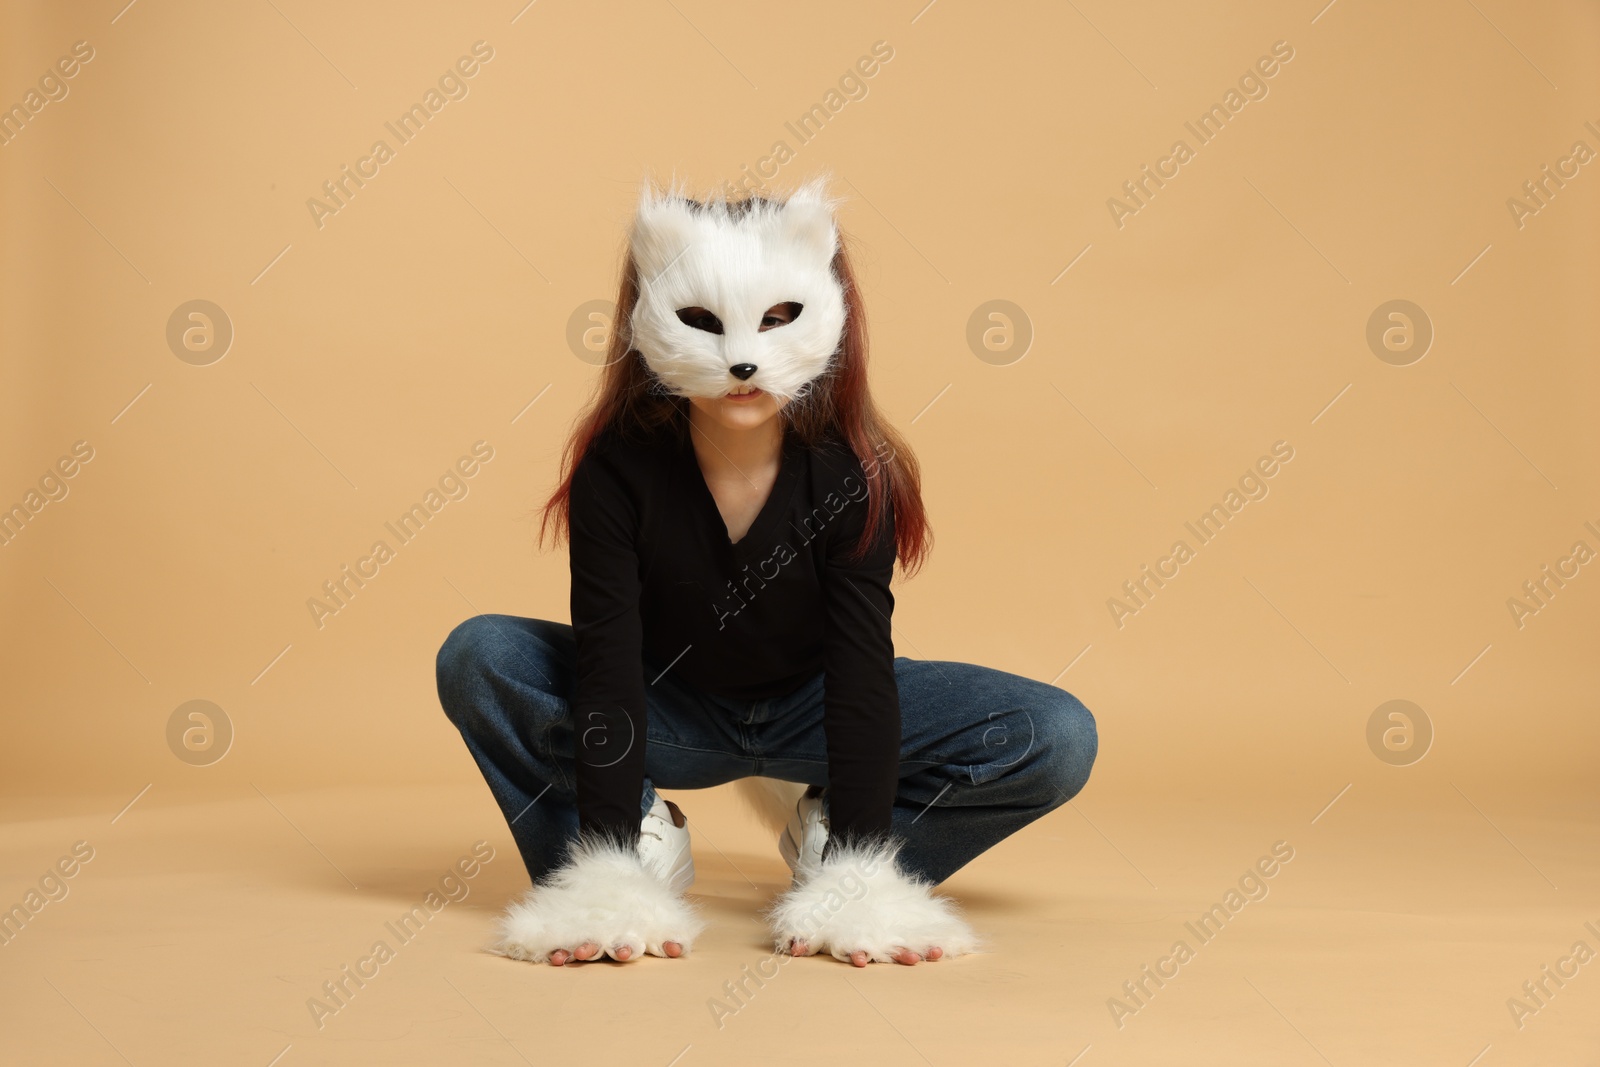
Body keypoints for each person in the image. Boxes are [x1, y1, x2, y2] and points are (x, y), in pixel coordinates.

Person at [435, 175, 1098, 968]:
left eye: (778, 319)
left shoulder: (854, 474)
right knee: (480, 657)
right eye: (704, 324)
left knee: (1055, 734)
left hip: (814, 712)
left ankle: (833, 847)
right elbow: (608, 661)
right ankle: (631, 849)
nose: (742, 357)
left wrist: (861, 853)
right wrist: (604, 851)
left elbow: (860, 672)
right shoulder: (619, 469)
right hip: (666, 710)